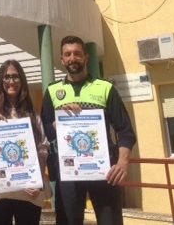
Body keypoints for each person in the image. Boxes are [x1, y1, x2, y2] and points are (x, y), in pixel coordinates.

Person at [41, 35, 137, 225]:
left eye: (77, 54)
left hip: (103, 170)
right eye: (67, 54)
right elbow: (43, 128)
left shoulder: (105, 88)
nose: (72, 58)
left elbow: (125, 130)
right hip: (68, 171)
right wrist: (56, 124)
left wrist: (122, 162)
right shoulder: (52, 91)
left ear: (86, 57)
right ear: (62, 60)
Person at [0, 59, 50, 225]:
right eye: (6, 77)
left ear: (22, 80)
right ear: (1, 82)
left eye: (15, 76)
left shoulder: (32, 114)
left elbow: (42, 149)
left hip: (28, 192)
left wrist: (37, 182)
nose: (11, 81)